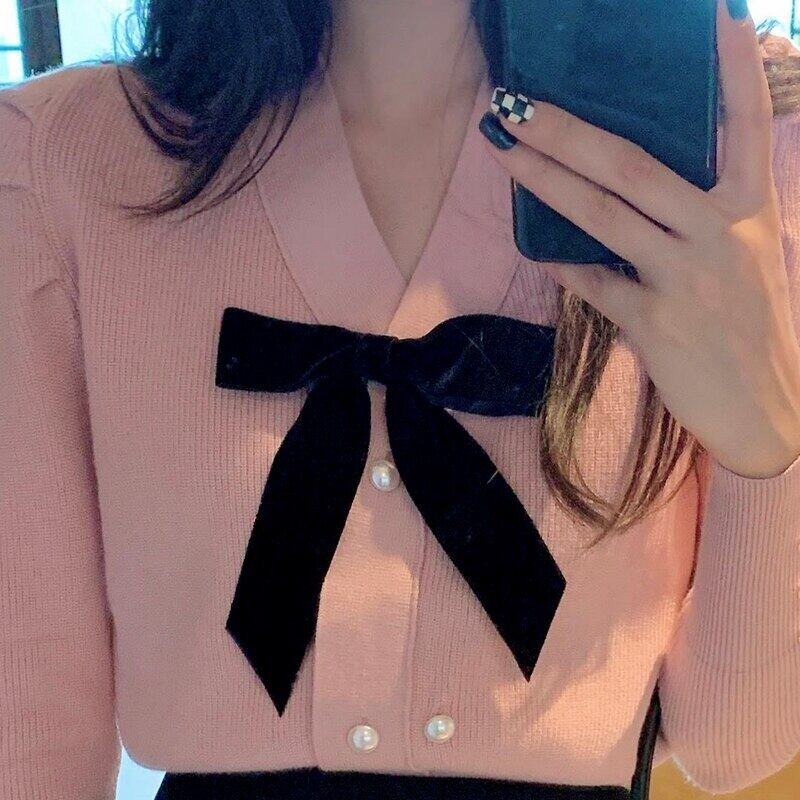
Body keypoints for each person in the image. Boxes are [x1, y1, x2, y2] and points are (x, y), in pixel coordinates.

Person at [1, 1, 800, 799]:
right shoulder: (59, 163)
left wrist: (768, 447)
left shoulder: (745, 150)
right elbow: (32, 744)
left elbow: (732, 744)